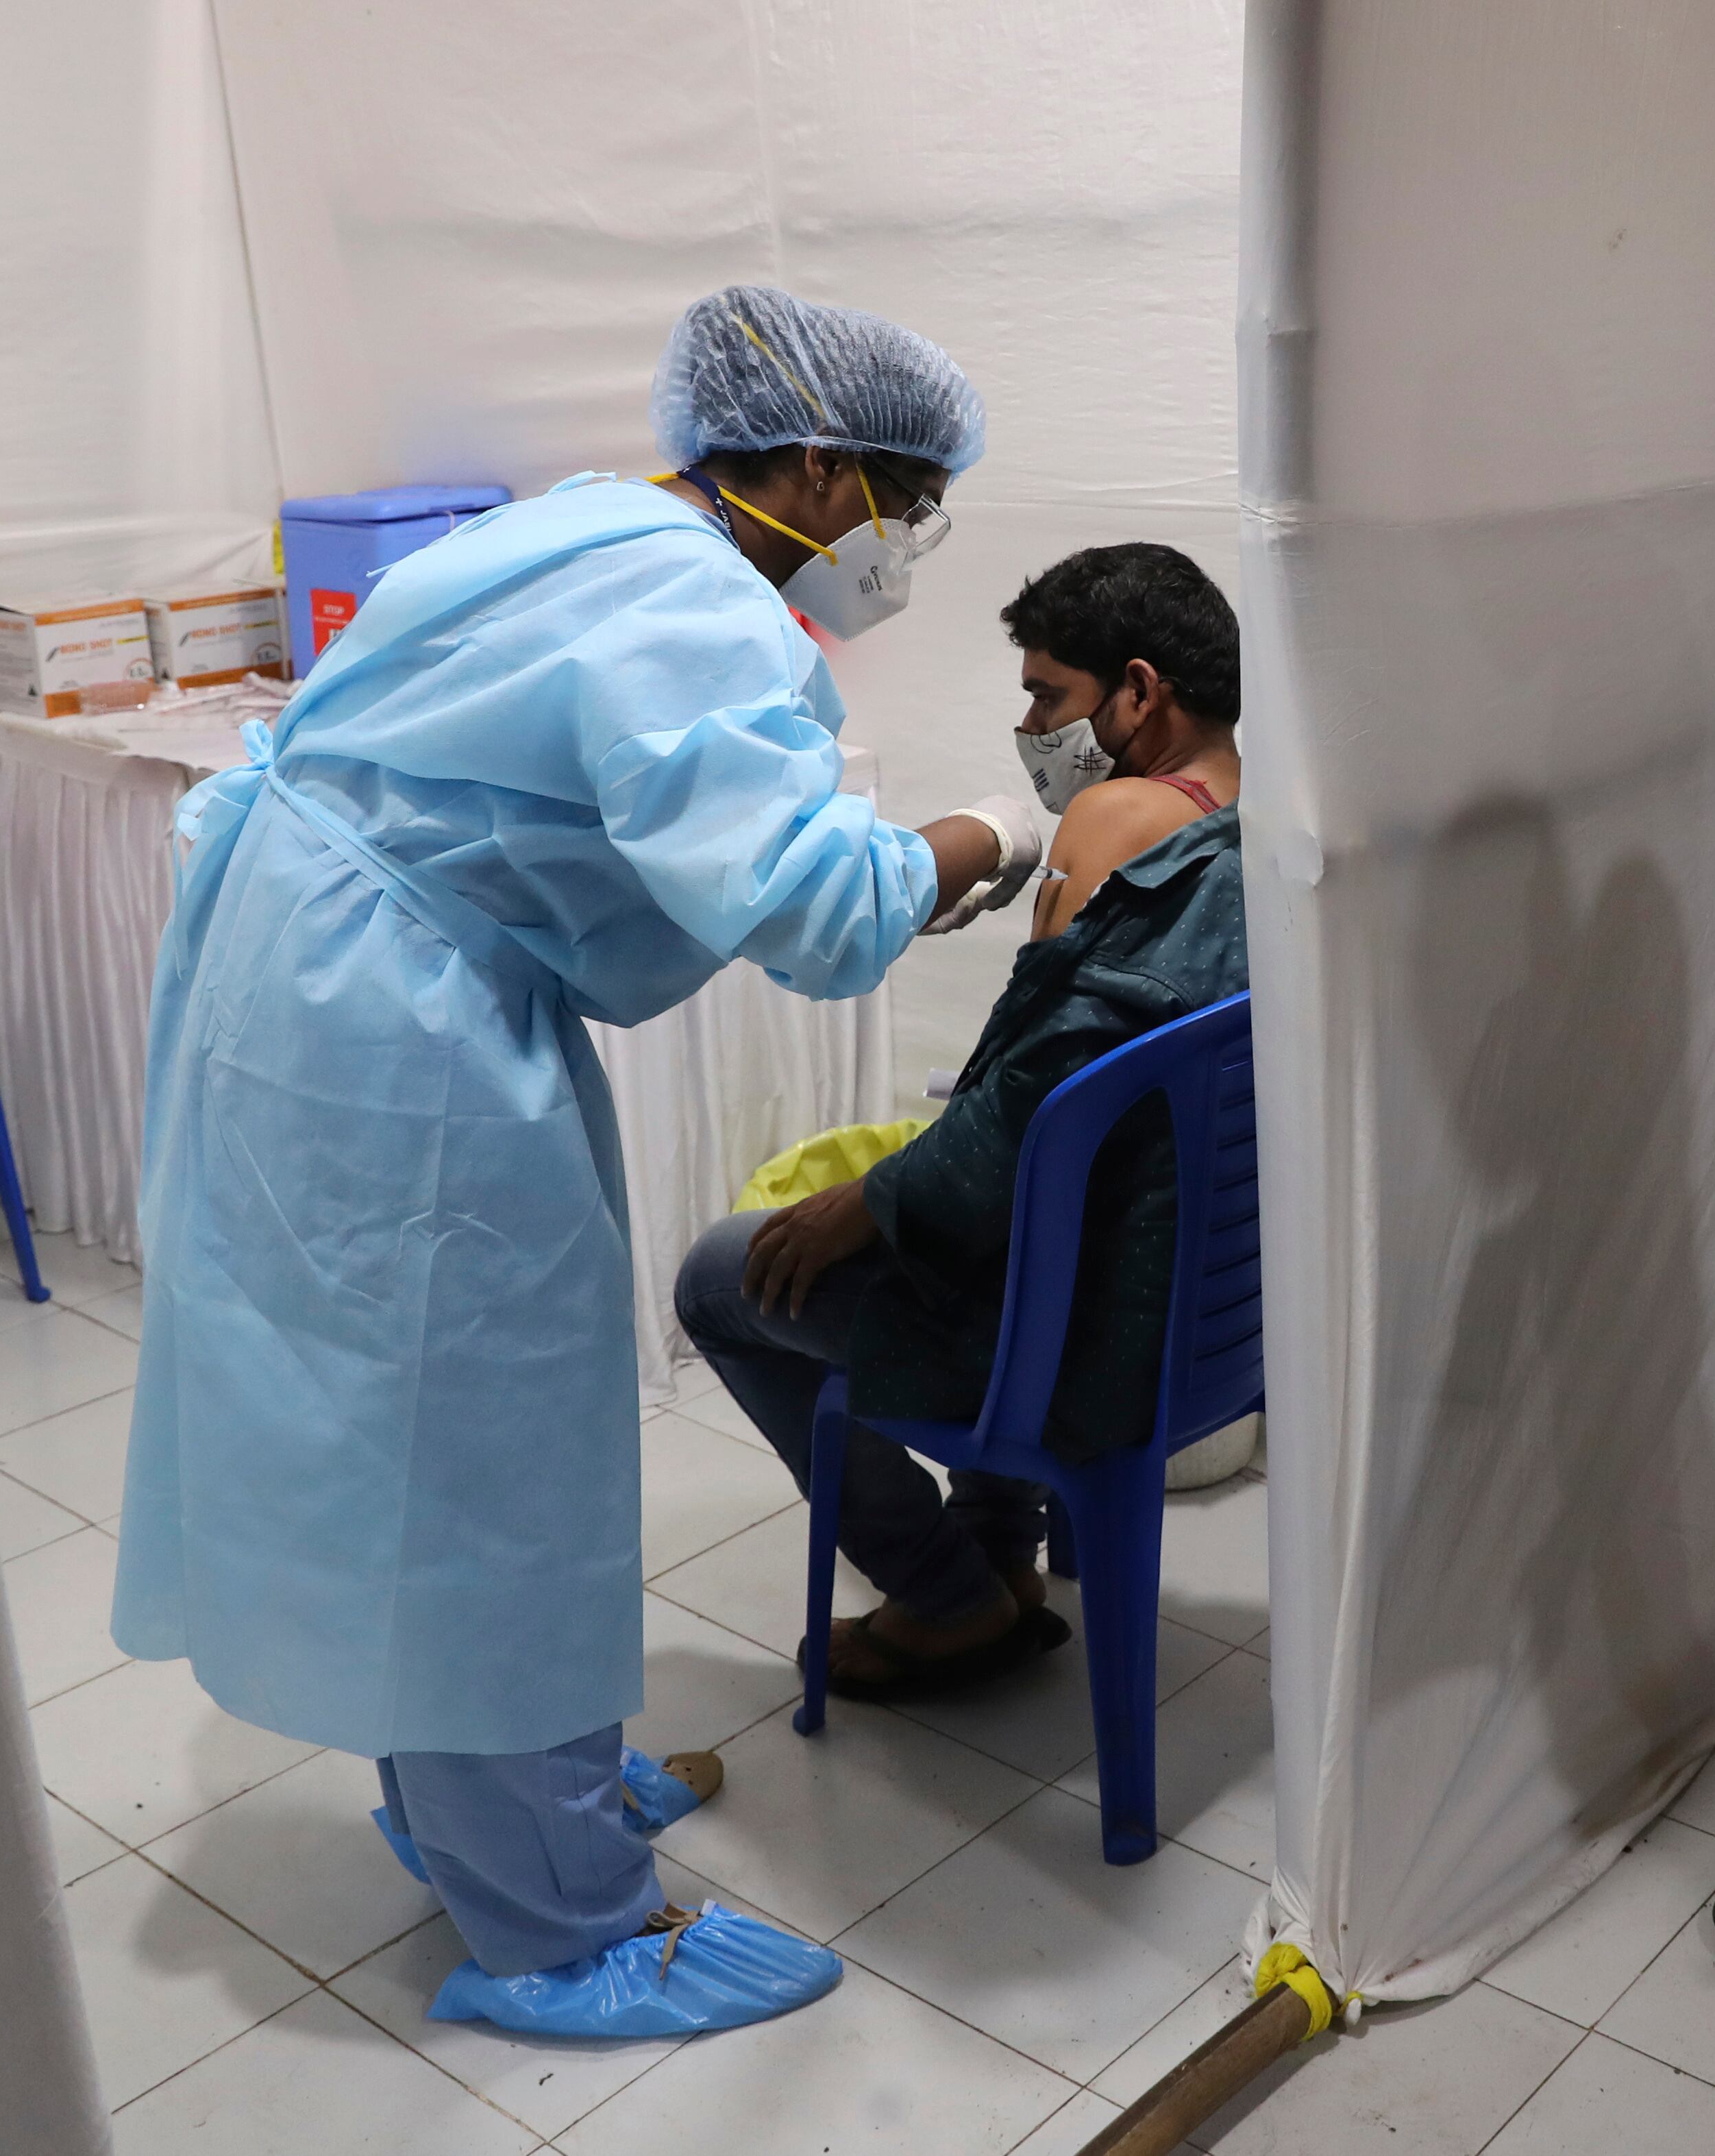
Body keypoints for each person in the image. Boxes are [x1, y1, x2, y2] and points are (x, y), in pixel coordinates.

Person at [111, 285, 1050, 2040]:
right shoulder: (692, 601)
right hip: (390, 1036)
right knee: (463, 1455)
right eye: (907, 507)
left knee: (425, 1437)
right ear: (825, 464)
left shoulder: (576, 527)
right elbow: (818, 908)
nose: (904, 550)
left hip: (321, 977)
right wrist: (993, 833)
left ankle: (517, 1796)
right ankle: (554, 1925)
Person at [675, 543, 1246, 1699]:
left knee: (719, 1278)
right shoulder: (1256, 826)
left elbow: (1023, 1106)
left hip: (1082, 1339)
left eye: (1048, 694)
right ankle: (998, 1546)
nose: (1030, 722)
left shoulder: (1112, 814)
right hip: (1201, 1311)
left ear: (1140, 692)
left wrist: (866, 1206)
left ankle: (945, 1595)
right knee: (985, 1196)